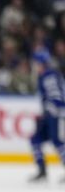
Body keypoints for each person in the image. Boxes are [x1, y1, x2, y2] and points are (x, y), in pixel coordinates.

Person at [28, 49, 65, 183]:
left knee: (57, 141)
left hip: (55, 114)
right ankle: (42, 171)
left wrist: (52, 110)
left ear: (41, 63)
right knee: (35, 139)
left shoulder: (50, 76)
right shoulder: (45, 76)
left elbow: (56, 96)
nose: (34, 66)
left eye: (36, 63)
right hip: (49, 114)